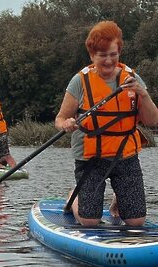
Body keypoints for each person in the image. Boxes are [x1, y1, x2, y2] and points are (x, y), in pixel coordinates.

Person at [55, 21, 158, 227]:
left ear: (119, 51)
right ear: (92, 56)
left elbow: (152, 121)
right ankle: (73, 197)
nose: (109, 60)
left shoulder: (132, 79)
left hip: (125, 154)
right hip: (91, 158)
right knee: (90, 221)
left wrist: (143, 94)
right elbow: (59, 119)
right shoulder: (79, 81)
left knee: (136, 222)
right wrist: (65, 124)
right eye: (102, 55)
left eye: (113, 54)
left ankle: (119, 199)